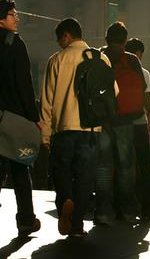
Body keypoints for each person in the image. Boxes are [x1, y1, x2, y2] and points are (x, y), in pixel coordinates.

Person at [40, 18, 112, 237]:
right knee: (85, 175)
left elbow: (47, 100)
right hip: (91, 129)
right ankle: (77, 224)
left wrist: (45, 133)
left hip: (63, 129)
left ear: (66, 36)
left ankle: (66, 200)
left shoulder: (57, 60)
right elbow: (113, 93)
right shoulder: (101, 58)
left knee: (61, 170)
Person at [0, 0, 41, 236]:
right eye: (13, 15)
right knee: (20, 170)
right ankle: (26, 220)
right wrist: (33, 117)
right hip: (13, 118)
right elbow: (25, 85)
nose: (17, 19)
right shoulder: (14, 44)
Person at [100, 22, 146, 223]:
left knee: (103, 166)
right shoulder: (132, 60)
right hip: (125, 119)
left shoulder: (97, 58)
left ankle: (103, 211)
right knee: (126, 164)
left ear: (106, 38)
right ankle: (127, 209)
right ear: (125, 40)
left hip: (100, 120)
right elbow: (142, 87)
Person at [124, 37, 150, 218]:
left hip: (120, 124)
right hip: (139, 123)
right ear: (140, 54)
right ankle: (146, 205)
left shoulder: (115, 69)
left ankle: (125, 204)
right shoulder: (144, 72)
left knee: (125, 164)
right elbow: (147, 101)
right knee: (143, 164)